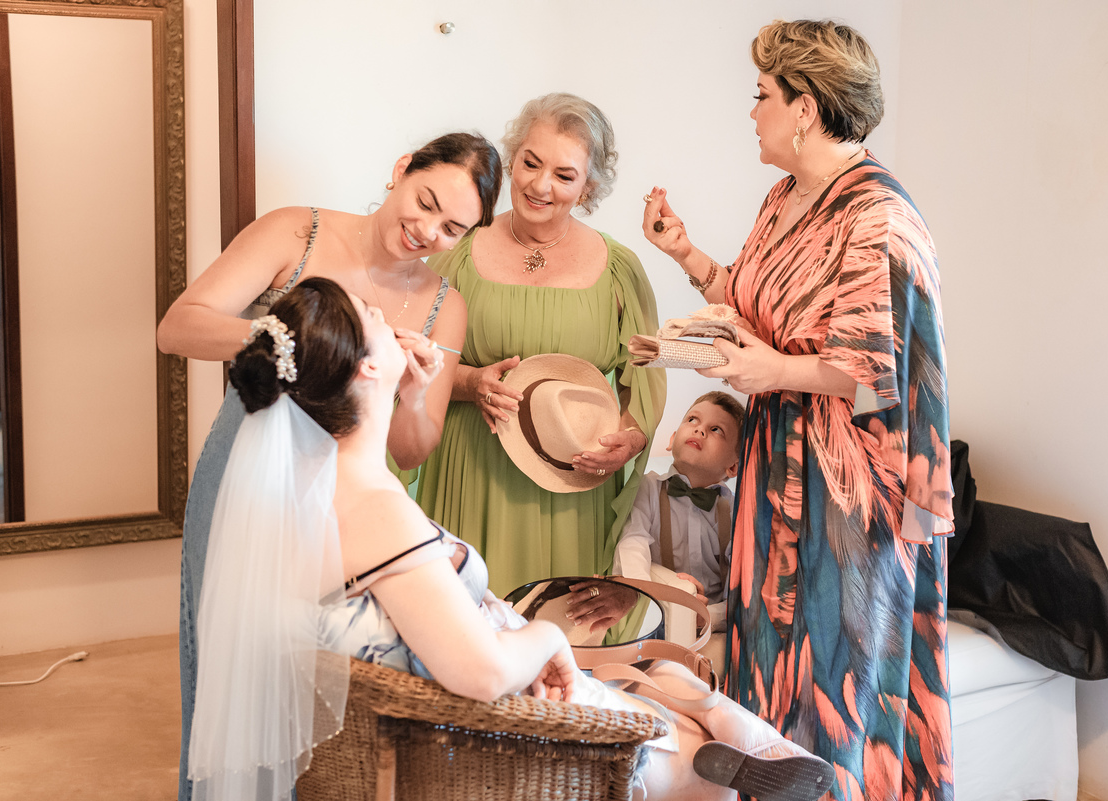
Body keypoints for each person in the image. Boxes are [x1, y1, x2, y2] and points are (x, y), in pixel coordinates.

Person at [190, 275, 836, 801]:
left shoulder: (313, 495)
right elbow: (481, 671)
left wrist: (411, 392)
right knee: (695, 748)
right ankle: (766, 757)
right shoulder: (378, 511)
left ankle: (767, 752)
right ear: (367, 366)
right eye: (376, 317)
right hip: (495, 736)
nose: (394, 320)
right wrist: (550, 638)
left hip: (469, 708)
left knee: (662, 676)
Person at [642, 19, 955, 801]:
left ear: (805, 108)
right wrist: (685, 253)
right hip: (773, 462)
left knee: (833, 675)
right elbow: (758, 302)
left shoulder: (875, 215)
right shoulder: (786, 196)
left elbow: (875, 372)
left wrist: (770, 368)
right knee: (769, 662)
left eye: (763, 96)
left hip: (845, 484)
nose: (753, 113)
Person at [157, 132, 503, 801]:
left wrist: (410, 394)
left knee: (319, 684)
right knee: (227, 657)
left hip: (346, 505)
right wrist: (307, 344)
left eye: (451, 228)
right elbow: (178, 326)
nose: (427, 231)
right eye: (426, 201)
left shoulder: (445, 305)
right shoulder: (297, 232)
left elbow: (412, 449)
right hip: (247, 477)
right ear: (401, 169)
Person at [416, 94, 667, 597]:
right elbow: (410, 357)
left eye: (564, 175)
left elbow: (643, 375)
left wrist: (631, 438)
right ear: (512, 157)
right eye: (530, 163)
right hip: (471, 467)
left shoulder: (619, 269)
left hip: (570, 481)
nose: (539, 185)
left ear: (588, 186)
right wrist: (469, 382)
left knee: (558, 630)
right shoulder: (458, 250)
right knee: (462, 623)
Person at [611, 391, 744, 628]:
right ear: (672, 439)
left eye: (716, 430)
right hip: (657, 615)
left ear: (733, 467)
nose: (699, 430)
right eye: (692, 419)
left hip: (712, 625)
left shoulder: (737, 512)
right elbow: (632, 542)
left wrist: (708, 616)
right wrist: (642, 594)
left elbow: (744, 586)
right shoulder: (647, 487)